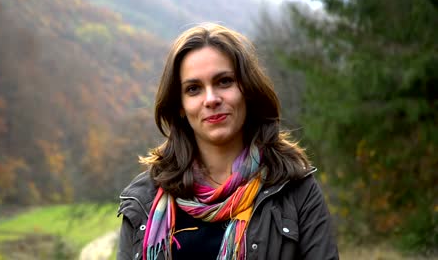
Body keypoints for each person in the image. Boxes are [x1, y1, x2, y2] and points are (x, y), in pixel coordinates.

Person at [116, 23, 339, 260]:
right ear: (180, 106)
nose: (211, 99)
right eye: (194, 89)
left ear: (247, 89)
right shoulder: (143, 200)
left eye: (224, 81)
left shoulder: (295, 190)